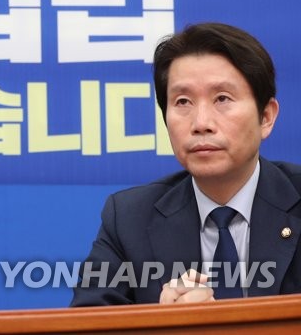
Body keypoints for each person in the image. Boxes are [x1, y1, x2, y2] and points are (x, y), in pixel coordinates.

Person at [72, 22, 301, 306]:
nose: (201, 123)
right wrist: (164, 323)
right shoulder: (129, 219)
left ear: (266, 116)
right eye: (183, 102)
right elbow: (88, 319)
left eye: (222, 99)